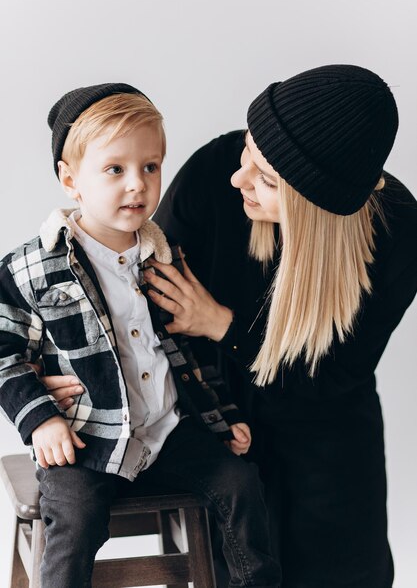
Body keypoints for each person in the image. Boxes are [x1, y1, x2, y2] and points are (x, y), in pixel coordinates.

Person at [139, 65, 417, 587]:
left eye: (266, 180)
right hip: (222, 422)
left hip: (329, 439)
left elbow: (334, 375)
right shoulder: (214, 172)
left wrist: (221, 324)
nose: (238, 177)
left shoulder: (397, 232)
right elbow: (139, 306)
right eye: (250, 150)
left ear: (311, 207)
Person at [0, 83, 281, 588]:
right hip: (86, 438)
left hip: (168, 430)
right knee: (78, 517)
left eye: (150, 167)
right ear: (71, 180)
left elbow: (187, 348)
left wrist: (223, 417)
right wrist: (40, 419)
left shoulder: (164, 254)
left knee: (241, 484)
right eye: (115, 169)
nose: (138, 185)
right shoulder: (33, 268)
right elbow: (3, 352)